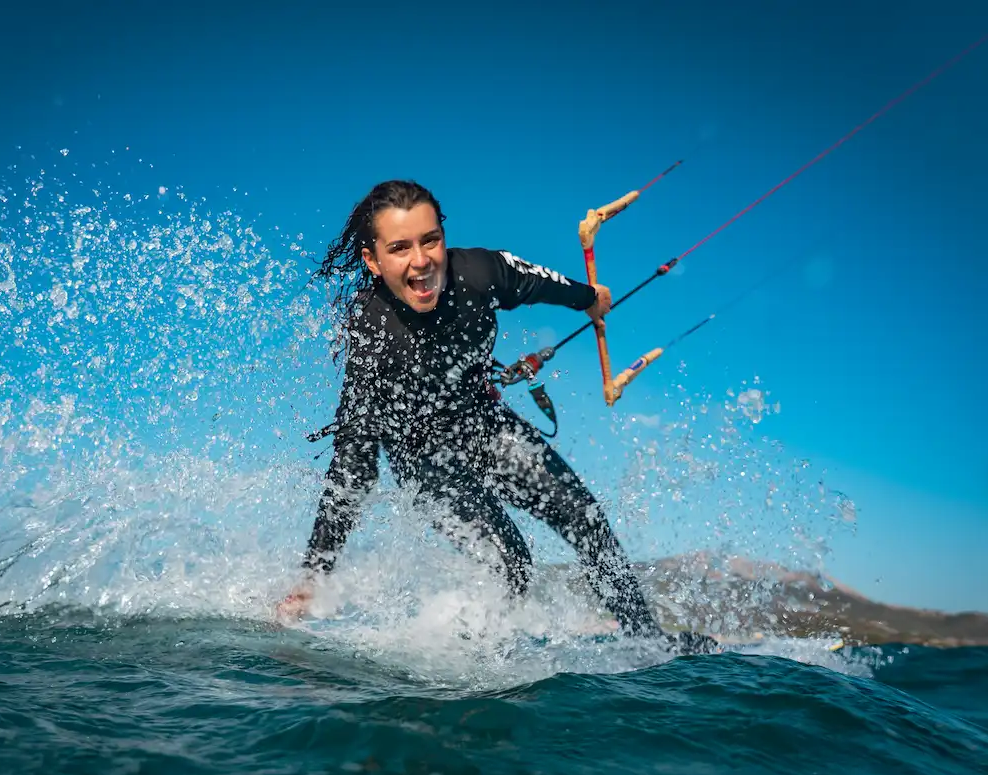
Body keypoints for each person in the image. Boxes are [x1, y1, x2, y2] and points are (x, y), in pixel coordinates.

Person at [276, 179, 717, 656]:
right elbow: (355, 458)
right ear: (373, 261)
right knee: (513, 564)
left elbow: (543, 282)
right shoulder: (371, 329)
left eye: (430, 240)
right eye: (400, 248)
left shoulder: (480, 272)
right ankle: (462, 657)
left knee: (585, 519)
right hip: (423, 457)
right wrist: (316, 573)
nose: (421, 261)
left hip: (484, 425)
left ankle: (646, 639)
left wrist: (590, 298)